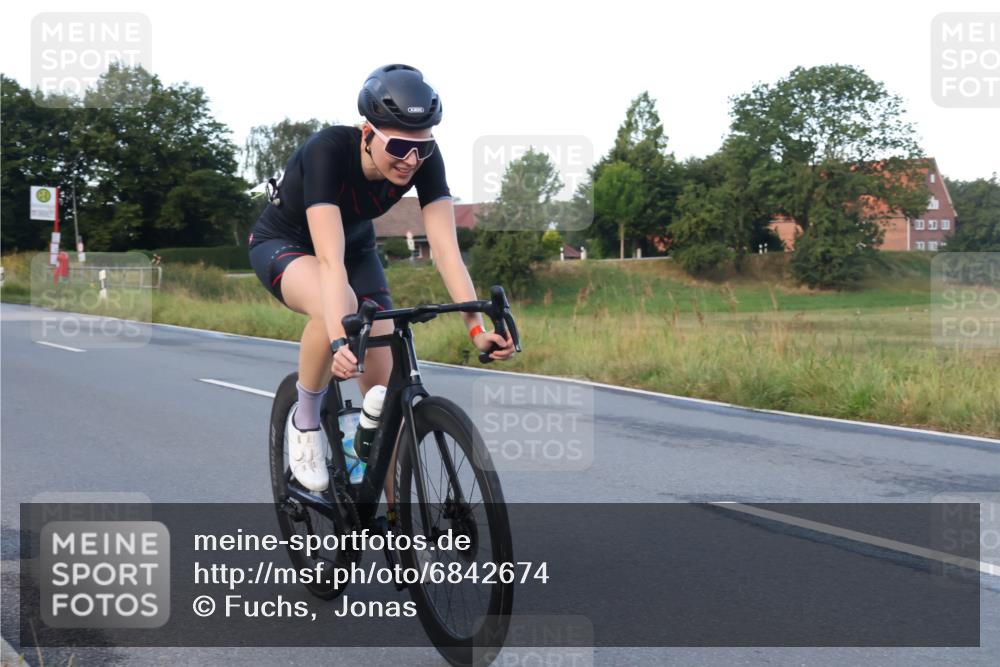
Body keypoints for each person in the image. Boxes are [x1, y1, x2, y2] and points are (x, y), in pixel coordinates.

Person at [248, 64, 515, 495]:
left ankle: (396, 521)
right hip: (286, 244)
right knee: (335, 305)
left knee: (385, 396)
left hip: (356, 249)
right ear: (366, 133)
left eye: (422, 148)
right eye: (399, 147)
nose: (411, 161)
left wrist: (476, 328)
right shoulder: (327, 151)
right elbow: (329, 262)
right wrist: (339, 341)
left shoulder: (423, 159)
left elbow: (446, 251)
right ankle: (306, 420)